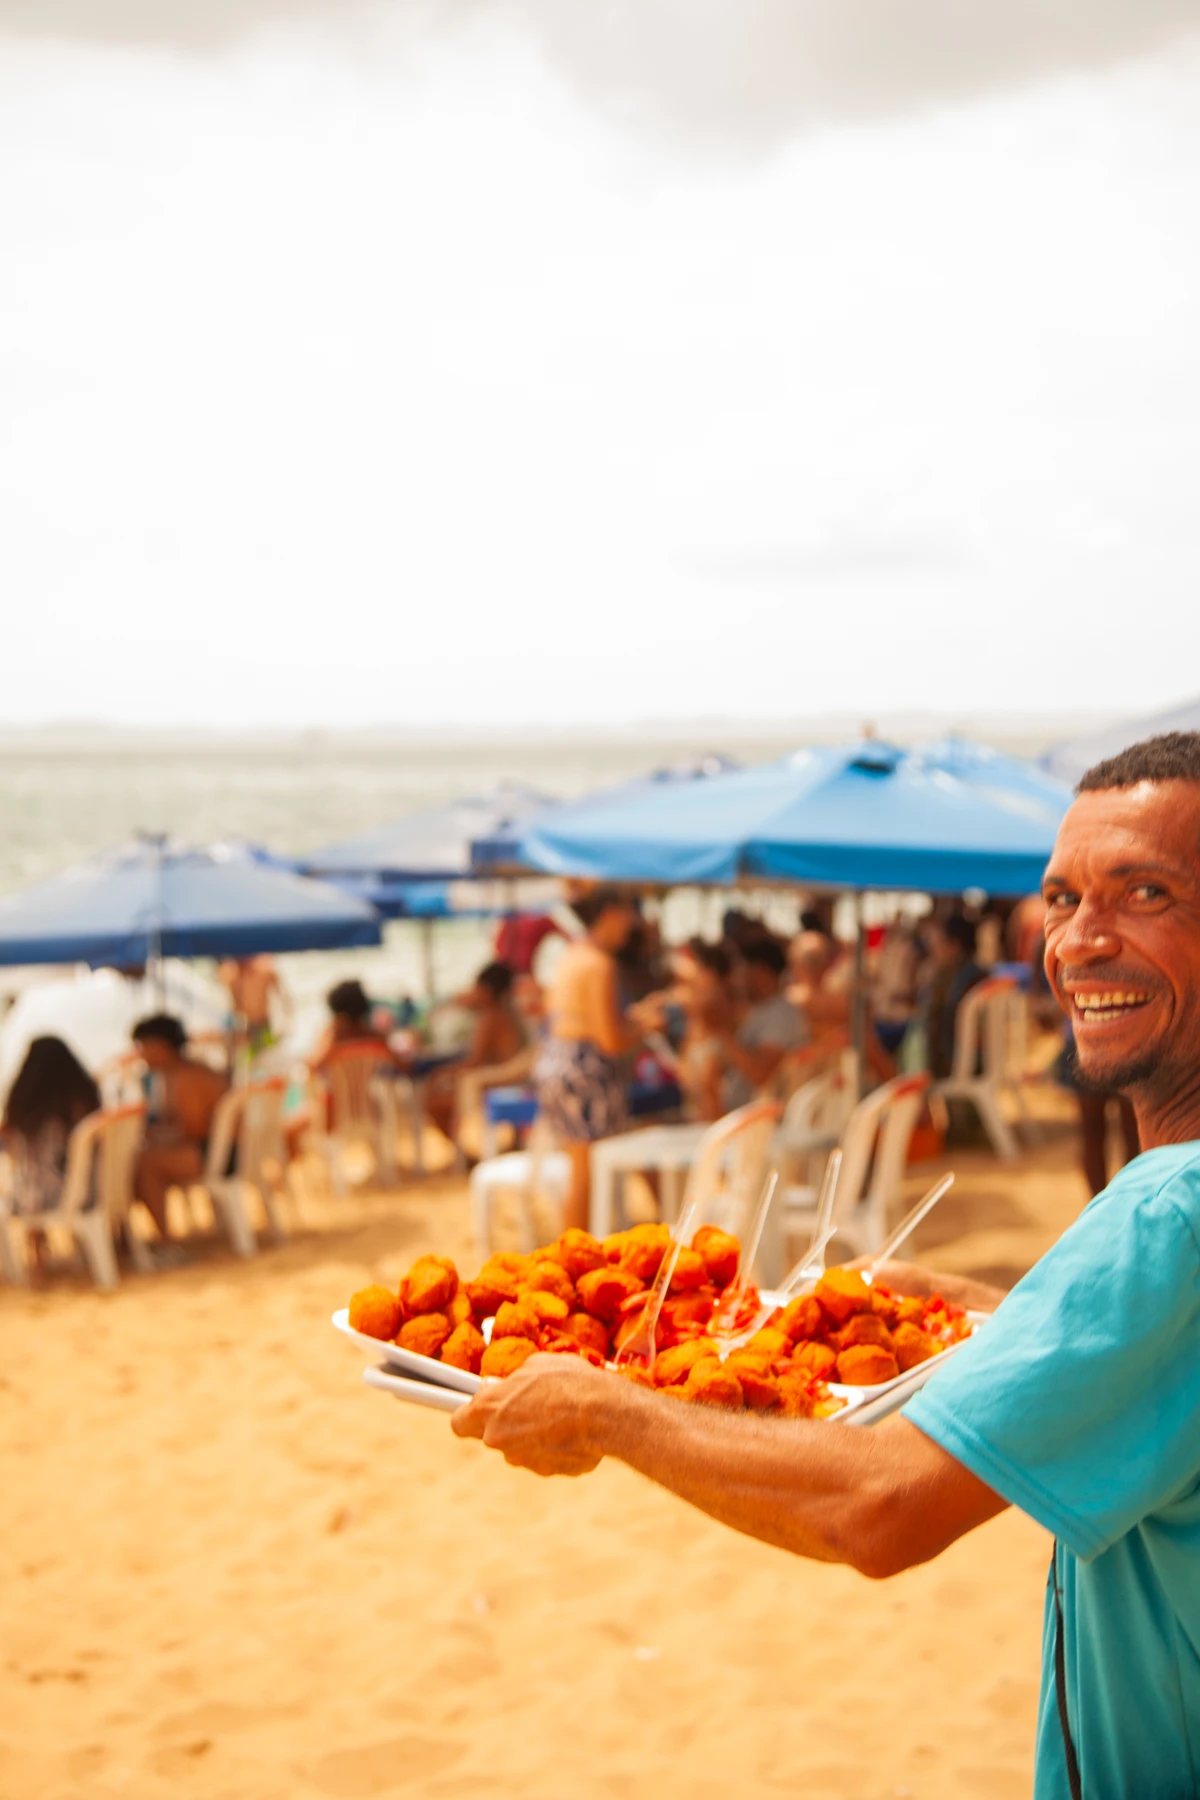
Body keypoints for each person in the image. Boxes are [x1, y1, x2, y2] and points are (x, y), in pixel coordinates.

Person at [454, 730, 1200, 1800]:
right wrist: (1009, 1320)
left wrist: (607, 1410)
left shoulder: (1166, 1215)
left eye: (1145, 893)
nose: (1080, 939)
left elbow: (881, 1507)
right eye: (1063, 897)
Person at [533, 886, 648, 1230]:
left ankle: (577, 1253)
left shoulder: (572, 954)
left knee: (581, 1173)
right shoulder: (599, 963)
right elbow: (610, 1040)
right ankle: (577, 1258)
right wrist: (644, 1026)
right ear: (611, 914)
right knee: (586, 1177)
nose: (633, 923)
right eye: (628, 913)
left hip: (559, 1062)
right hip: (584, 1070)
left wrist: (634, 1020)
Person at [1, 1036, 101, 1274]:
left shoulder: (27, 1107)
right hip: (92, 1190)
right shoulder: (84, 1098)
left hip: (48, 1197)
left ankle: (36, 1254)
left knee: (28, 1183)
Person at [132, 1014, 228, 1242]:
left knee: (144, 1165)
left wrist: (158, 1137)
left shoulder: (187, 1077)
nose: (140, 1054)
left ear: (161, 1046)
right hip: (216, 1149)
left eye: (143, 1046)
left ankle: (165, 1239)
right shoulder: (181, 1072)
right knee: (140, 1161)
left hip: (217, 1154)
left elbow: (194, 1129)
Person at [424, 961, 531, 1151]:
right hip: (509, 1080)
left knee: (435, 1102)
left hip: (497, 1083)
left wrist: (443, 1074)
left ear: (487, 991)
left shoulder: (490, 1018)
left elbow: (475, 1062)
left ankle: (470, 1151)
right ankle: (471, 1150)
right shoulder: (507, 1014)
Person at [717, 937, 807, 1109]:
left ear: (760, 971)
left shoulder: (780, 1015)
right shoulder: (762, 1010)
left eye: (743, 969)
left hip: (755, 1120)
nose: (738, 977)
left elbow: (762, 1074)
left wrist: (721, 1032)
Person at [919, 912, 986, 1079]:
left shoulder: (950, 982)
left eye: (940, 941)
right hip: (977, 1067)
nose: (935, 947)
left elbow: (936, 1035)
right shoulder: (981, 977)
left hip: (955, 1068)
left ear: (954, 945)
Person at [218, 955, 290, 1058]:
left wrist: (285, 1024)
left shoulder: (265, 970)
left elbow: (284, 998)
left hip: (265, 1025)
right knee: (251, 1062)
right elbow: (231, 1006)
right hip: (247, 1028)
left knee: (266, 1060)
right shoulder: (231, 975)